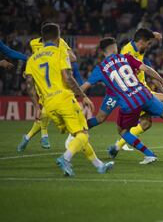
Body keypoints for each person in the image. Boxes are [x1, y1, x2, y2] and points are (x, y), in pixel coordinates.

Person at [81, 37, 163, 164]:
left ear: (102, 51)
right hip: (145, 94)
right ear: (114, 47)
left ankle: (149, 154)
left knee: (123, 131)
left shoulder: (100, 68)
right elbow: (147, 69)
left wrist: (78, 95)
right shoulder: (126, 57)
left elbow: (85, 86)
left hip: (129, 102)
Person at [24, 23, 113, 176]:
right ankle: (65, 158)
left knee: (77, 134)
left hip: (49, 105)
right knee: (83, 133)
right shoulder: (60, 52)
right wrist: (83, 96)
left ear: (42, 38)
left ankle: (99, 166)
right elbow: (68, 77)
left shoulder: (32, 59)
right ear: (58, 38)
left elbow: (29, 85)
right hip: (64, 99)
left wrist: (37, 107)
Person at [17, 22, 84, 152]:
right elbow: (33, 59)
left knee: (45, 110)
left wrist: (60, 52)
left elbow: (73, 58)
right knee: (46, 110)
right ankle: (44, 136)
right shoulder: (33, 43)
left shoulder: (60, 42)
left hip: (54, 79)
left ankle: (33, 136)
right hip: (41, 81)